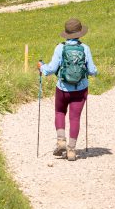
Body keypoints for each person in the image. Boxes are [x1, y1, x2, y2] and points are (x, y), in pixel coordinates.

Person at [38, 16, 98, 160]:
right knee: (75, 118)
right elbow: (92, 70)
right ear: (79, 33)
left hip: (63, 88)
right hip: (81, 88)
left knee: (59, 112)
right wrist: (95, 72)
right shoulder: (85, 48)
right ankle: (71, 150)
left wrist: (42, 67)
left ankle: (61, 141)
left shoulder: (60, 48)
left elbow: (51, 69)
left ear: (66, 33)